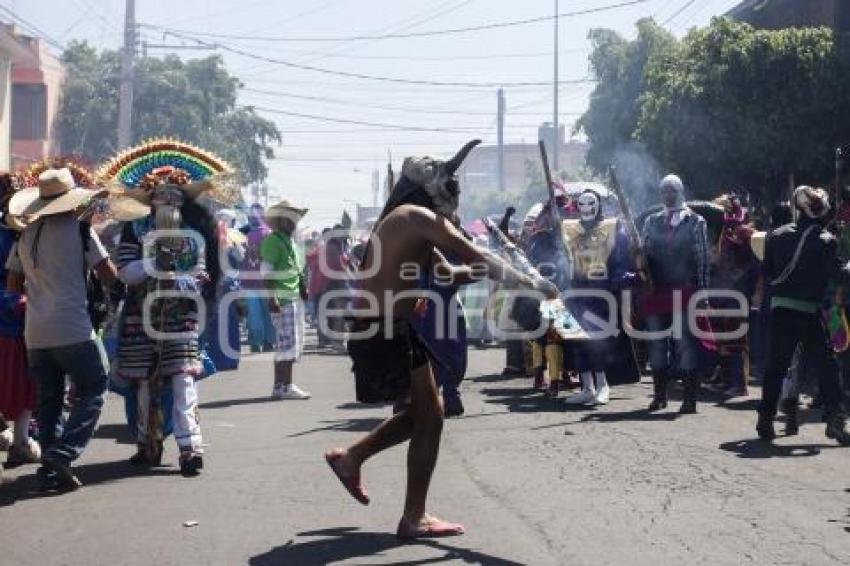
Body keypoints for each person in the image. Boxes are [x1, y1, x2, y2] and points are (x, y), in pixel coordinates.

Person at [323, 140, 558, 539]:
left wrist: (489, 272)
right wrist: (527, 281)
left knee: (428, 415)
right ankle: (411, 514)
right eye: (449, 185)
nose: (454, 194)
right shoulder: (415, 217)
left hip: (387, 328)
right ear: (431, 188)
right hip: (384, 329)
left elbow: (450, 273)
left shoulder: (408, 220)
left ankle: (354, 459)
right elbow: (473, 255)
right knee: (430, 418)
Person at [102, 141, 227, 478]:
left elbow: (201, 276)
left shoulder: (192, 236)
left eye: (174, 196)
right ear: (149, 201)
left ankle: (191, 448)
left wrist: (181, 276)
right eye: (161, 196)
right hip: (139, 317)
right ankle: (148, 444)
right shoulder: (135, 231)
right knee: (143, 383)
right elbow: (126, 273)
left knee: (184, 381)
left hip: (180, 317)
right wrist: (157, 263)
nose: (168, 201)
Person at [5, 168, 116, 491]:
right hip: (73, 328)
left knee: (49, 402)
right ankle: (63, 454)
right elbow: (107, 273)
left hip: (35, 334)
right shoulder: (80, 231)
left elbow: (13, 283)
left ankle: (49, 469)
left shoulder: (26, 234)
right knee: (95, 385)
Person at [756, 186, 850, 444]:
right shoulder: (825, 240)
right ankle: (835, 420)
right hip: (808, 314)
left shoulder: (775, 235)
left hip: (780, 311)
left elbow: (768, 270)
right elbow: (840, 275)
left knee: (775, 367)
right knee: (828, 368)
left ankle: (765, 419)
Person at [640, 174, 710, 414]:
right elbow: (644, 254)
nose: (668, 194)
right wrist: (638, 257)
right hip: (657, 290)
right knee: (657, 345)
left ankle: (689, 399)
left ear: (680, 191)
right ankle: (660, 397)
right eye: (664, 191)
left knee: (685, 345)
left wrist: (703, 293)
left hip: (684, 290)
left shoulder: (695, 221)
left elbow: (702, 259)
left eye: (672, 190)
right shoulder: (651, 221)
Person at [562, 189, 637, 406]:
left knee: (597, 341)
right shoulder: (568, 230)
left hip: (599, 294)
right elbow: (562, 259)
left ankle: (603, 385)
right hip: (574, 293)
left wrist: (625, 278)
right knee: (575, 340)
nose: (586, 209)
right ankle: (587, 386)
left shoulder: (612, 229)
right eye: (582, 204)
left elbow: (621, 261)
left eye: (590, 204)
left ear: (598, 206)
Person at [262, 200, 311, 400]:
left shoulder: (291, 242)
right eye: (290, 217)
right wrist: (272, 298)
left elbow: (295, 270)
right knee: (286, 344)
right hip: (282, 299)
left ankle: (282, 386)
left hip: (294, 298)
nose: (294, 221)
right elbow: (267, 273)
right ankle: (284, 385)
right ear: (281, 220)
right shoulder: (272, 241)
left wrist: (302, 288)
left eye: (296, 218)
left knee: (293, 344)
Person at [242, 204, 276, 353]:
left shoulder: (243, 236)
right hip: (265, 281)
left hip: (250, 281)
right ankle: (268, 342)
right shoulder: (270, 234)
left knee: (254, 314)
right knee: (267, 313)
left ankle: (257, 342)